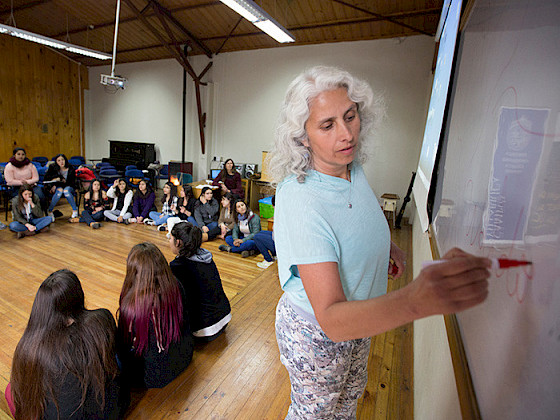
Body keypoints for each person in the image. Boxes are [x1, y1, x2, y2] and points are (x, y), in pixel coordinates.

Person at [268, 66, 491, 419]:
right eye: (328, 125)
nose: (347, 134)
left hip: (360, 319)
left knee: (348, 401)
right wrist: (416, 300)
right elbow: (332, 319)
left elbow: (357, 216)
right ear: (303, 137)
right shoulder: (301, 199)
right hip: (318, 333)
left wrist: (386, 246)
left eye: (350, 117)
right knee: (316, 415)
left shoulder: (349, 167)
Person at [6, 269, 127, 419]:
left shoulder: (28, 347)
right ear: (78, 296)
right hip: (108, 412)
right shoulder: (102, 319)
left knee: (10, 389)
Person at [116, 242, 194, 389]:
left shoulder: (133, 307)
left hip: (153, 376)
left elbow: (123, 350)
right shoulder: (176, 285)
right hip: (184, 355)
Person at [169, 222, 232, 341]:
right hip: (224, 316)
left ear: (177, 242)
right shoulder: (205, 255)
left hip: (205, 328)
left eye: (170, 238)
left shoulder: (178, 265)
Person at [4, 147, 47, 212]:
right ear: (14, 155)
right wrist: (21, 183)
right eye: (18, 154)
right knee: (21, 198)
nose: (21, 156)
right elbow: (9, 181)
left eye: (23, 154)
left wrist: (27, 182)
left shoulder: (30, 165)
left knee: (41, 195)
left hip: (31, 186)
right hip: (16, 187)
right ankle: (23, 215)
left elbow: (36, 178)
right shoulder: (9, 166)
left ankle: (41, 212)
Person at [44, 153, 79, 220]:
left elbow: (72, 182)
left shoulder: (71, 168)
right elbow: (46, 178)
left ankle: (75, 210)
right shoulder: (53, 167)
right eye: (59, 160)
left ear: (65, 160)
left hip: (69, 186)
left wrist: (59, 182)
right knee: (59, 192)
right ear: (56, 162)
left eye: (62, 160)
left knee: (66, 191)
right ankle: (50, 211)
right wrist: (54, 182)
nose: (61, 162)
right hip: (59, 186)